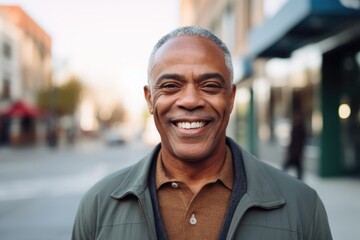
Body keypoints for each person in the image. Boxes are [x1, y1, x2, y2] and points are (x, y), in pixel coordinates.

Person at [72, 26, 332, 240]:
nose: (190, 100)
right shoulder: (98, 207)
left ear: (230, 98)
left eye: (209, 85)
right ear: (150, 99)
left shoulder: (302, 207)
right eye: (171, 86)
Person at [283, 111, 307, 180]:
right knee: (296, 167)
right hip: (295, 152)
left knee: (295, 167)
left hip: (296, 152)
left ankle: (299, 180)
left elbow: (301, 141)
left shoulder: (301, 129)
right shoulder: (297, 128)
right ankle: (299, 180)